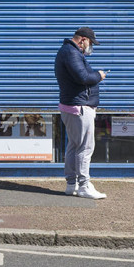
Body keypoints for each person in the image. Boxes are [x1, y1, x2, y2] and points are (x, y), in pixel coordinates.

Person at [55, 26, 107, 199]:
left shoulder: (69, 52)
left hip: (72, 106)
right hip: (80, 107)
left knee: (74, 145)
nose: (90, 47)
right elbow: (83, 77)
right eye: (90, 43)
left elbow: (81, 75)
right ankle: (84, 185)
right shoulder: (71, 52)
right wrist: (99, 75)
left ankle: (72, 184)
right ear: (83, 40)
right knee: (85, 147)